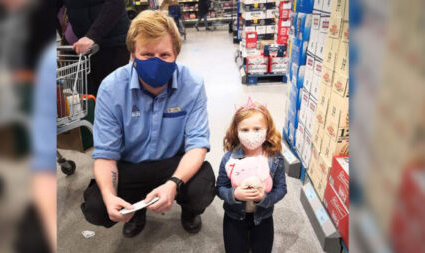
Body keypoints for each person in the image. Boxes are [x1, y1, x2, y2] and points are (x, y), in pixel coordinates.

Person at [80, 10, 216, 238]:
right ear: (132, 54)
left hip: (173, 163)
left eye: (164, 55)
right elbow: (105, 155)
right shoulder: (111, 88)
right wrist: (109, 195)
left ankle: (190, 211)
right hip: (130, 166)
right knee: (97, 207)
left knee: (201, 190)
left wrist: (173, 183)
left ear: (176, 55)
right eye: (146, 54)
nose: (155, 61)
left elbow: (197, 145)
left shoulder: (192, 84)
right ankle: (136, 211)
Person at [216, 98, 287, 253]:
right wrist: (234, 194)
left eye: (257, 129)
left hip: (263, 217)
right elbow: (220, 188)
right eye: (245, 130)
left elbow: (281, 188)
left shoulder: (275, 159)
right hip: (234, 216)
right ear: (236, 131)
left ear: (268, 130)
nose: (251, 135)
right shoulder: (229, 159)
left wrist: (265, 199)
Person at [56, 0, 131, 97]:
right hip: (78, 48)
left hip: (112, 44)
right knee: (84, 102)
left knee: (113, 97)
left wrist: (93, 35)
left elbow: (116, 3)